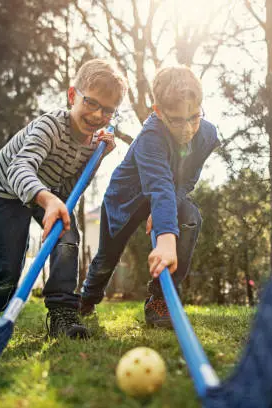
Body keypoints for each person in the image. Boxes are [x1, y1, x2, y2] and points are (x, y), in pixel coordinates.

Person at [0, 59, 127, 339]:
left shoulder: (93, 143)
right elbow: (20, 168)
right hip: (6, 191)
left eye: (108, 110)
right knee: (9, 265)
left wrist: (98, 157)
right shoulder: (50, 127)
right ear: (72, 95)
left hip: (50, 191)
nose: (98, 114)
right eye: (91, 103)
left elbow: (73, 185)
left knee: (66, 238)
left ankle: (62, 313)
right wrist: (48, 200)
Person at [79, 65, 220, 328]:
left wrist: (166, 210)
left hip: (167, 195)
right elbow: (158, 184)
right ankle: (87, 299)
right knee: (107, 257)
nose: (188, 128)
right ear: (158, 112)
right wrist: (166, 238)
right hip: (126, 199)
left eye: (194, 117)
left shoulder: (208, 135)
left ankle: (160, 299)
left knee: (190, 218)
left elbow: (186, 179)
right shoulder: (150, 138)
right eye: (177, 120)